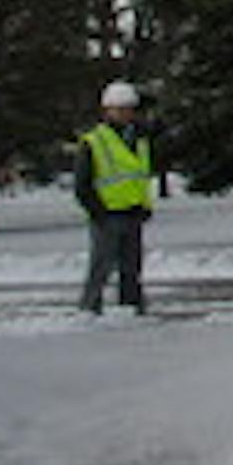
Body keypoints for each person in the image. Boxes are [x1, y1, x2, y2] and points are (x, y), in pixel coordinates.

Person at [76, 80, 153, 314]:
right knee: (101, 265)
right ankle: (90, 306)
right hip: (107, 214)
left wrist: (144, 206)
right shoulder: (94, 141)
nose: (125, 114)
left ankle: (132, 305)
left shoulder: (138, 140)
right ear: (107, 110)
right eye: (119, 109)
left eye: (128, 109)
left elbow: (140, 177)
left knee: (132, 266)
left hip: (132, 211)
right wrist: (97, 211)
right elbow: (83, 183)